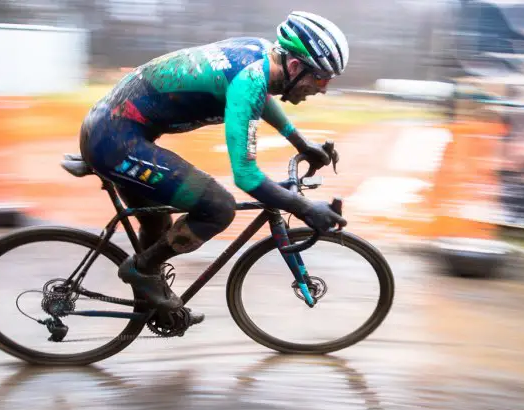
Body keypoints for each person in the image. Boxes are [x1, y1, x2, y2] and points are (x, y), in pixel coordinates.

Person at [78, 11, 350, 323]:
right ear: (294, 67)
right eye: (321, 78)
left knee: (157, 224)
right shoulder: (249, 81)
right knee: (218, 207)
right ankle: (140, 270)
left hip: (109, 130)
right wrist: (303, 207)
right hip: (115, 142)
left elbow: (262, 98)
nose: (323, 88)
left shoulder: (261, 55)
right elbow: (246, 176)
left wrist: (300, 143)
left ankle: (151, 307)